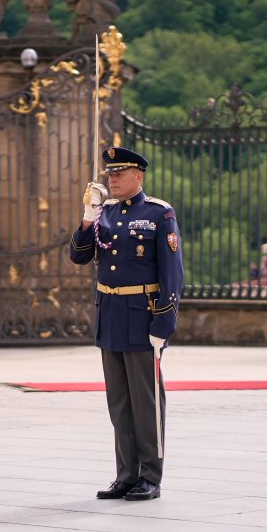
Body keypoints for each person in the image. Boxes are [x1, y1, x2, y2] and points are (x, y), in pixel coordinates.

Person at [69, 146, 183, 502]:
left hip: (142, 315)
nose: (112, 179)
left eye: (120, 174)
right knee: (119, 402)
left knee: (145, 403)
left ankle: (150, 476)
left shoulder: (159, 213)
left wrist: (162, 324)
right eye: (110, 175)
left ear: (139, 177)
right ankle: (126, 474)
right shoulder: (105, 213)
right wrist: (87, 219)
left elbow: (173, 274)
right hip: (112, 315)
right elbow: (78, 255)